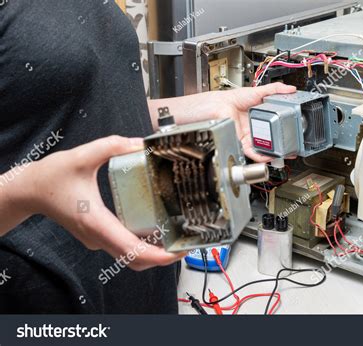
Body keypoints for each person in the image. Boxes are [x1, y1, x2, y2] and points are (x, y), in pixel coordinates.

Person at [0, 0, 295, 313]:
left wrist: (201, 107)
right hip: (48, 294)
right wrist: (30, 190)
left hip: (142, 280)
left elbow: (93, 108)